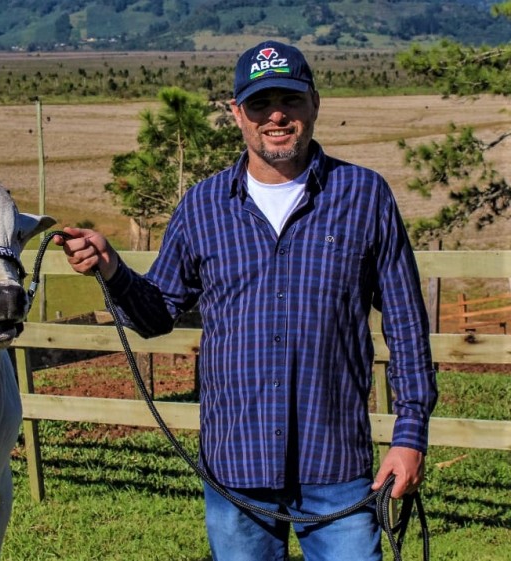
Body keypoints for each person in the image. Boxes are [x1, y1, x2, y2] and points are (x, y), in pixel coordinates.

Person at [56, 40, 437, 561]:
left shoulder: (364, 196)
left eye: (290, 100)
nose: (276, 115)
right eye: (260, 104)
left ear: (315, 104)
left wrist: (409, 436)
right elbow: (156, 314)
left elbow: (407, 326)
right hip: (236, 466)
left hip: (338, 463)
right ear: (238, 114)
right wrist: (112, 269)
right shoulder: (203, 207)